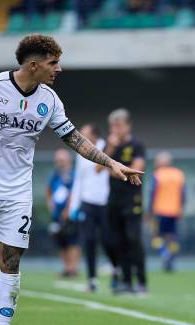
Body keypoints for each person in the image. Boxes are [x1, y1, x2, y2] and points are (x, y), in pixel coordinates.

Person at [0, 34, 142, 325]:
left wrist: (113, 163)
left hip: (17, 192)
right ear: (34, 64)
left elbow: (74, 139)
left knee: (10, 263)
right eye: (53, 63)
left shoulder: (50, 100)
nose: (59, 69)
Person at [101, 108, 147, 294]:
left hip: (132, 200)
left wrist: (113, 169)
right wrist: (110, 149)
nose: (115, 129)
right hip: (114, 200)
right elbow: (98, 168)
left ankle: (142, 282)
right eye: (112, 126)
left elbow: (135, 170)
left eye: (118, 125)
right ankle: (126, 282)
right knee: (117, 241)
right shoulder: (109, 146)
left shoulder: (137, 145)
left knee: (133, 239)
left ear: (127, 126)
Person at [69, 124, 115, 292]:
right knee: (89, 241)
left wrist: (110, 148)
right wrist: (74, 205)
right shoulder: (81, 152)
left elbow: (99, 170)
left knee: (108, 239)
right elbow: (79, 180)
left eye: (85, 134)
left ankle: (115, 269)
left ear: (94, 135)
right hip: (87, 202)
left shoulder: (107, 147)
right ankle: (92, 279)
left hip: (105, 202)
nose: (82, 137)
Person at [150, 151, 186, 272]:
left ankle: (165, 254)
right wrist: (181, 209)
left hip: (160, 210)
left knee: (156, 236)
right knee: (172, 237)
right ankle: (171, 257)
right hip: (175, 211)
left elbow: (153, 193)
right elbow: (183, 194)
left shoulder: (158, 174)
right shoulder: (179, 174)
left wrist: (149, 211)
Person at [46, 149, 80, 279]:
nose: (59, 163)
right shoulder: (55, 174)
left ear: (68, 160)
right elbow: (48, 190)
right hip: (57, 214)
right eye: (57, 160)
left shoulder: (74, 174)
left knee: (72, 240)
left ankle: (73, 268)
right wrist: (50, 203)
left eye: (61, 160)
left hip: (71, 214)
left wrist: (68, 209)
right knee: (60, 240)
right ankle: (66, 267)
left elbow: (75, 191)